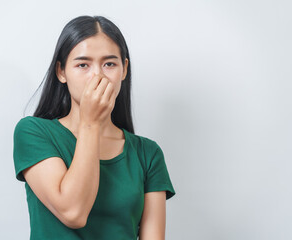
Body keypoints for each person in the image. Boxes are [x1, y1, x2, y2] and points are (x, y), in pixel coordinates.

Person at [13, 15, 176, 240]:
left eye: (109, 64)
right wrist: (91, 123)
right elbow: (73, 212)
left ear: (124, 69)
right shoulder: (34, 132)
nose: (97, 76)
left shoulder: (147, 154)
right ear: (61, 72)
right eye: (83, 65)